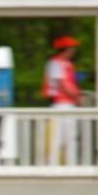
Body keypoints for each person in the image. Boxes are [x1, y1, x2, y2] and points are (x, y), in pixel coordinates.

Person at [42, 36, 81, 164]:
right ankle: (53, 165)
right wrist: (76, 97)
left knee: (71, 137)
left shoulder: (68, 64)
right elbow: (61, 84)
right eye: (72, 48)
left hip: (69, 104)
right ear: (66, 49)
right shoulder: (55, 63)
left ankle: (72, 165)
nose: (74, 50)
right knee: (56, 137)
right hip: (60, 103)